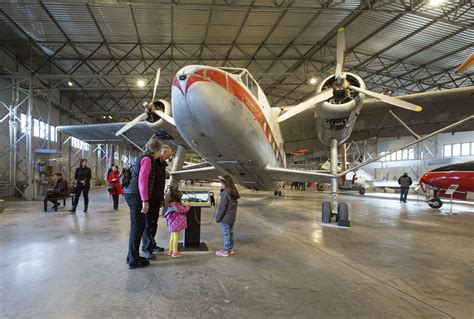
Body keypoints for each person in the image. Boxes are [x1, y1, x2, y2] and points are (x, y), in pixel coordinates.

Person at [123, 138, 162, 269]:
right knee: (137, 227)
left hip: (132, 194)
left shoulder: (143, 157)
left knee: (138, 227)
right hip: (136, 195)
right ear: (156, 150)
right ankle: (133, 260)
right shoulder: (147, 159)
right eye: (159, 151)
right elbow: (142, 181)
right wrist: (145, 200)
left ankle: (131, 256)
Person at [141, 144, 173, 256]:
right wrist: (145, 200)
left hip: (157, 197)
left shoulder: (161, 164)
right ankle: (146, 248)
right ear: (161, 152)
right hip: (149, 198)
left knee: (154, 223)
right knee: (147, 224)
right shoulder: (151, 162)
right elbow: (145, 181)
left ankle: (152, 244)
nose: (168, 158)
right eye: (168, 155)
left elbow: (160, 183)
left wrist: (161, 198)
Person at [215, 175, 240, 257]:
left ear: (225, 183)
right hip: (231, 218)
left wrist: (218, 218)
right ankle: (230, 249)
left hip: (225, 218)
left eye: (221, 183)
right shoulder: (233, 191)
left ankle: (225, 251)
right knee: (230, 233)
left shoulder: (225, 193)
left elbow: (222, 207)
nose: (221, 184)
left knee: (227, 234)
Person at [163, 188, 190, 258]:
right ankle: (175, 252)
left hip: (171, 224)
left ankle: (171, 250)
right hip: (176, 225)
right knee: (176, 238)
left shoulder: (170, 204)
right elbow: (184, 210)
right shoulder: (177, 205)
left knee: (172, 237)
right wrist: (188, 205)